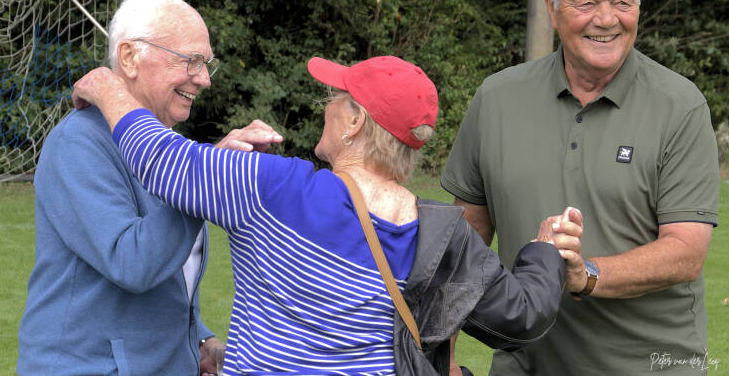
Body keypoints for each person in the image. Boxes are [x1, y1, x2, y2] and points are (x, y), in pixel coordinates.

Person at [70, 54, 586, 375]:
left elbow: (160, 161)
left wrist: (105, 85)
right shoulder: (443, 233)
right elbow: (522, 317)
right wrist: (543, 248)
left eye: (335, 97)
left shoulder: (271, 187)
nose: (325, 103)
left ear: (355, 122)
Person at [441, 0, 720, 375]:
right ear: (552, 8)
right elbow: (461, 244)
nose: (606, 19)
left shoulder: (680, 106)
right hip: (523, 364)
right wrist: (445, 357)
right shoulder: (496, 100)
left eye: (622, 3)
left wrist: (585, 274)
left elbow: (685, 252)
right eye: (586, 2)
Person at [17, 0, 277, 375]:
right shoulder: (78, 143)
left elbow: (174, 270)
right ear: (129, 57)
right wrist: (204, 180)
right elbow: (132, 261)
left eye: (206, 64)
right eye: (191, 61)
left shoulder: (166, 144)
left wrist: (199, 338)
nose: (204, 79)